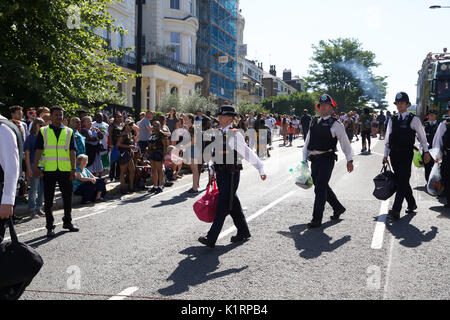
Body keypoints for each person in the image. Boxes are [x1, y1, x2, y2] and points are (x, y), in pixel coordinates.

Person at [198, 105, 267, 248]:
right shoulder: (217, 132)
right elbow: (213, 153)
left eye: (222, 116)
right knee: (233, 202)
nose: (219, 118)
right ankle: (243, 231)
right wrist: (211, 170)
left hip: (231, 174)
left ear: (230, 118)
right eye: (219, 116)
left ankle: (211, 238)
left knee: (223, 205)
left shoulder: (235, 134)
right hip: (220, 173)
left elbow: (247, 152)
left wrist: (260, 167)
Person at [303, 94, 354, 228]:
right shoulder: (313, 121)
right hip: (314, 160)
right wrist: (303, 161)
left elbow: (345, 143)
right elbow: (307, 142)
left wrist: (350, 160)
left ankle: (316, 219)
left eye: (327, 105)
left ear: (331, 108)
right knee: (322, 186)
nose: (324, 107)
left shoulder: (336, 124)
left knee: (320, 188)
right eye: (321, 105)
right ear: (319, 107)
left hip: (327, 159)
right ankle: (338, 207)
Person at [383, 92, 431, 220]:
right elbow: (387, 138)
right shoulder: (392, 119)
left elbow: (422, 137)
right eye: (397, 103)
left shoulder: (413, 119)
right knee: (400, 181)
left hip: (406, 154)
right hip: (394, 154)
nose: (399, 105)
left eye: (402, 103)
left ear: (407, 104)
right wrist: (385, 154)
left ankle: (396, 209)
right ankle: (412, 203)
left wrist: (426, 152)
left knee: (403, 180)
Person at [33, 106, 79, 238]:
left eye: (61, 115)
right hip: (49, 169)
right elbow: (38, 150)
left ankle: (68, 222)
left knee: (67, 198)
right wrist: (36, 167)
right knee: (48, 200)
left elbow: (72, 151)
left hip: (65, 169)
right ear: (51, 116)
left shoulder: (69, 131)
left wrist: (73, 168)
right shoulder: (44, 131)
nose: (59, 117)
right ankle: (49, 227)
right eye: (56, 115)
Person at [24, 118, 46, 218]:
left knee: (42, 188)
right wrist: (28, 169)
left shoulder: (44, 137)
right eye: (40, 125)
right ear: (35, 125)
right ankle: (32, 209)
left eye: (43, 125)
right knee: (33, 188)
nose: (42, 127)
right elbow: (27, 155)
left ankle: (39, 207)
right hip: (33, 164)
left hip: (44, 165)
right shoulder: (30, 138)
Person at [432, 102, 450, 209]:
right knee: (447, 178)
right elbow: (437, 141)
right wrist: (437, 157)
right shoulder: (444, 124)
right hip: (448, 155)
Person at [147, 121, 168, 194]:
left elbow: (165, 146)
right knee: (153, 170)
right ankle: (155, 186)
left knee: (159, 170)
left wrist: (164, 156)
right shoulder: (152, 134)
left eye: (156, 126)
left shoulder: (162, 134)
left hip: (159, 153)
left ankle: (160, 186)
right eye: (154, 126)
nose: (155, 127)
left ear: (159, 126)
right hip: (152, 153)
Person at [117, 118, 136, 194]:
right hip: (123, 154)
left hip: (128, 153)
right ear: (126, 125)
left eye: (132, 124)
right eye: (130, 124)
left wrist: (130, 148)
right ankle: (122, 188)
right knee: (123, 172)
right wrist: (129, 147)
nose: (131, 126)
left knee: (132, 170)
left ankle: (131, 187)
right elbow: (118, 144)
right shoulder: (123, 133)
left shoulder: (129, 133)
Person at [423, 109, 439, 183]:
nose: (431, 116)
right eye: (429, 115)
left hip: (436, 150)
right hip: (427, 150)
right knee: (427, 167)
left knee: (436, 168)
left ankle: (436, 183)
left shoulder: (439, 125)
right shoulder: (425, 125)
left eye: (432, 115)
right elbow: (421, 137)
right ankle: (428, 183)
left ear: (436, 116)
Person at [108, 112, 124, 181]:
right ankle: (111, 176)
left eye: (120, 117)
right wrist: (111, 145)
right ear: (115, 118)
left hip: (121, 145)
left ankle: (117, 176)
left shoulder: (122, 125)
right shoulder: (112, 126)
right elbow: (110, 136)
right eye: (118, 117)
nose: (120, 118)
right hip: (114, 145)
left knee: (119, 161)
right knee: (113, 161)